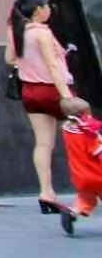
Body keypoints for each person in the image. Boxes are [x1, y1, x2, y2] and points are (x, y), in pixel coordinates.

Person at [8, 0, 85, 217]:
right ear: (37, 10)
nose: (49, 9)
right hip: (54, 90)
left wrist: (28, 65)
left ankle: (46, 193)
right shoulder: (42, 33)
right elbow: (53, 66)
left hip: (30, 91)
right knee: (82, 138)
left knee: (43, 143)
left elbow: (9, 59)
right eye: (46, 5)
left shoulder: (15, 30)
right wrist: (67, 98)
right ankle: (88, 188)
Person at [60, 100, 102, 236]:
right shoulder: (88, 134)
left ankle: (72, 212)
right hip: (97, 174)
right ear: (85, 115)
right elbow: (97, 152)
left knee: (86, 199)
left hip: (79, 174)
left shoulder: (67, 130)